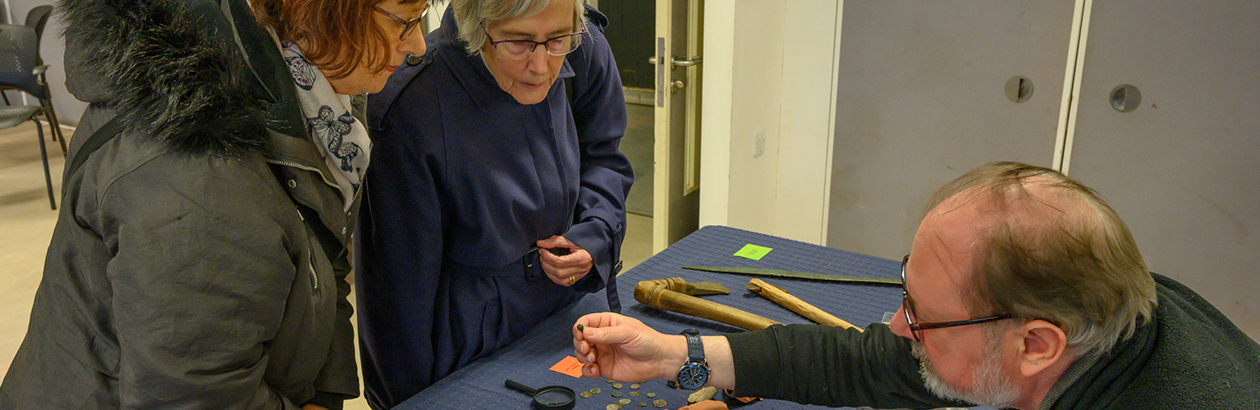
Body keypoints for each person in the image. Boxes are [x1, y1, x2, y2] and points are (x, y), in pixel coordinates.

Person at [0, 0, 426, 408]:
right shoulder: (196, 173)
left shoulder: (320, 102)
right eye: (402, 21)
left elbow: (325, 261)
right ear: (313, 8)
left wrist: (324, 396)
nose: (417, 44)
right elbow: (192, 396)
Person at [572, 162, 1260, 409]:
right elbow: (877, 363)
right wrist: (677, 357)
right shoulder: (1114, 312)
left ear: (1038, 345)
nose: (899, 328)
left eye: (923, 318)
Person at [355, 0, 633, 407]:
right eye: (518, 43)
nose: (541, 67)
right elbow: (397, 295)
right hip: (471, 344)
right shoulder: (414, 102)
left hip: (573, 314)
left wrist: (596, 235)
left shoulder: (583, 45)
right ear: (475, 25)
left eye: (556, 40)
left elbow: (604, 156)